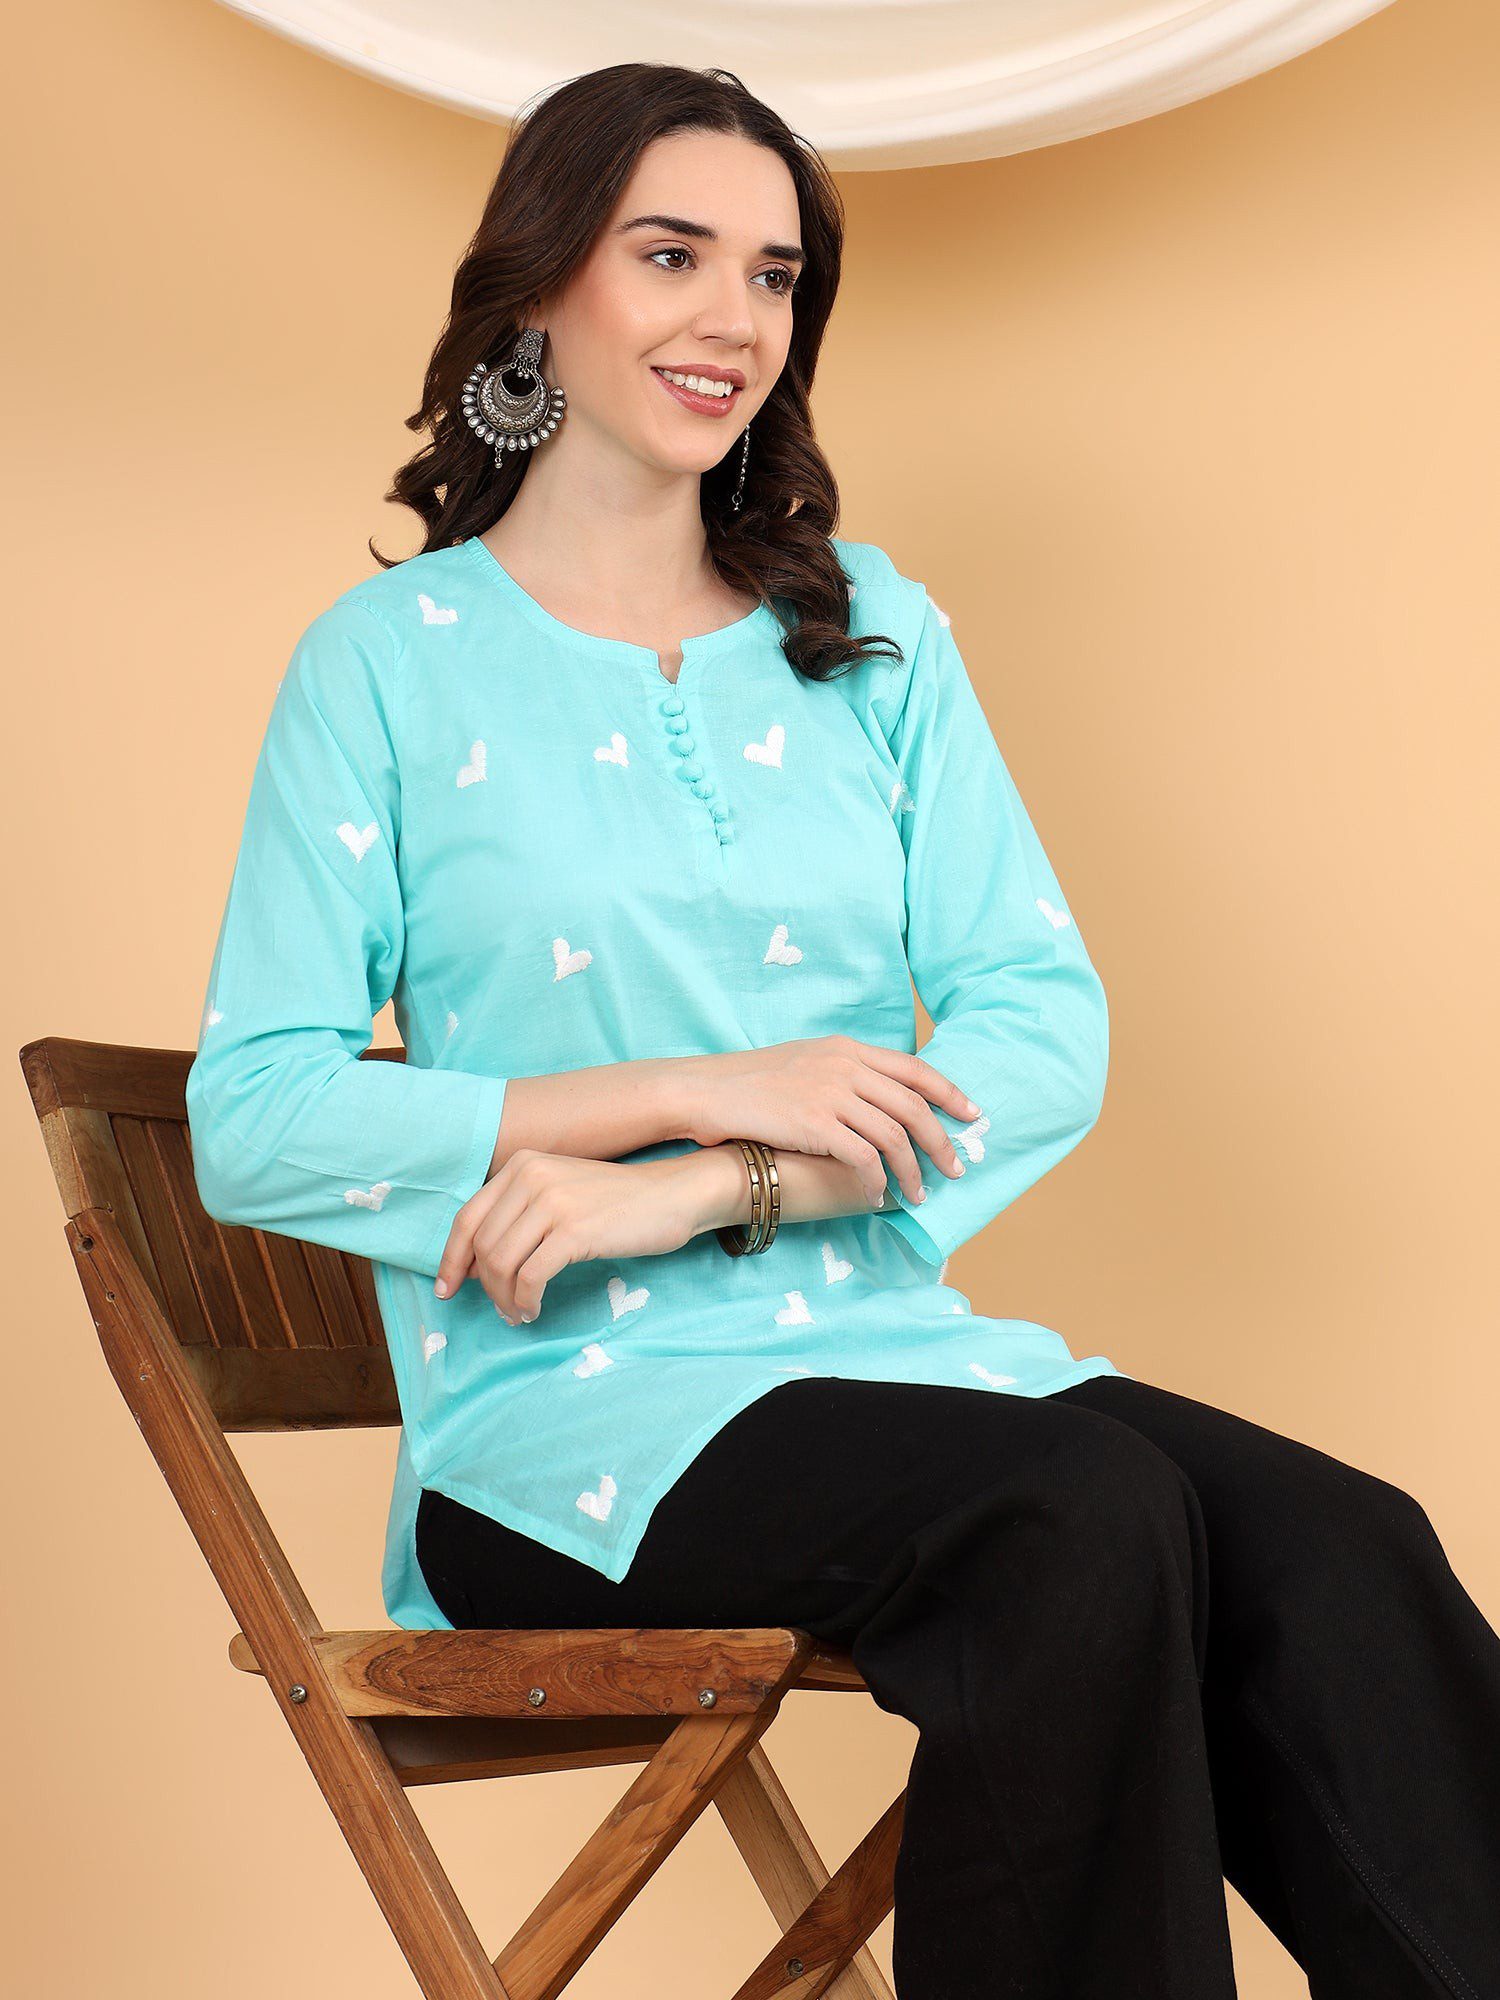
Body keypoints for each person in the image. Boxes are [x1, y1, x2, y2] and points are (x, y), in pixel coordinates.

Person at [185, 60, 1500, 2000]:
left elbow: (1041, 1025)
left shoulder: (869, 631)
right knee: (1075, 1523)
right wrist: (683, 1088)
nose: (732, 317)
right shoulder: (385, 664)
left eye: (775, 274)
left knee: (1337, 1545)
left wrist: (707, 1184)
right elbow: (260, 1114)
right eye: (672, 255)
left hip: (900, 1361)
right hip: (558, 1442)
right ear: (539, 282)